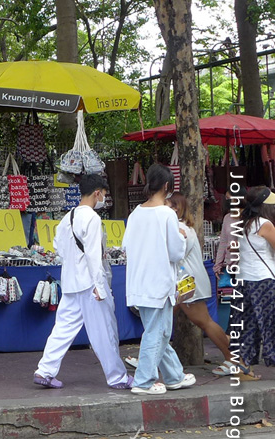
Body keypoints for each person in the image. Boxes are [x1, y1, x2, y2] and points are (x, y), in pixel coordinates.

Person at [34, 174, 131, 390]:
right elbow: (93, 256)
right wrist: (99, 285)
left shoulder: (66, 218)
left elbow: (58, 247)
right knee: (103, 330)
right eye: (104, 194)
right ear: (97, 193)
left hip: (70, 281)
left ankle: (45, 370)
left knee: (63, 328)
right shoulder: (93, 219)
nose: (104, 199)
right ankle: (118, 377)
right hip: (90, 284)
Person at [121, 164, 196, 396]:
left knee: (157, 330)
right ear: (166, 186)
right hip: (159, 282)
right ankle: (143, 381)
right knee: (158, 332)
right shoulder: (166, 214)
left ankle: (174, 375)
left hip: (138, 281)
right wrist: (182, 237)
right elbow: (176, 253)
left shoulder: (135, 214)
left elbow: (125, 247)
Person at [166, 192, 255, 379]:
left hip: (187, 283)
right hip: (185, 283)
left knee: (203, 321)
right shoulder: (182, 227)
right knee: (162, 319)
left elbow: (174, 255)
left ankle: (234, 357)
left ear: (175, 208)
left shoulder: (179, 229)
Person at [234, 185, 275, 375]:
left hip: (243, 280)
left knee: (249, 324)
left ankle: (244, 367)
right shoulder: (265, 224)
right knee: (270, 323)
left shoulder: (242, 222)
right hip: (264, 280)